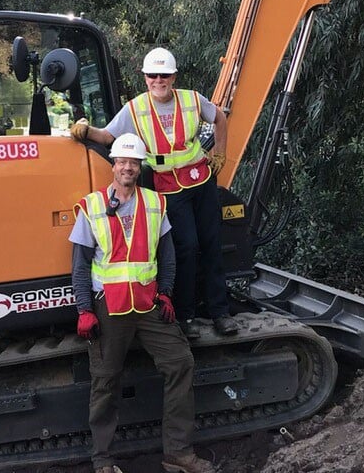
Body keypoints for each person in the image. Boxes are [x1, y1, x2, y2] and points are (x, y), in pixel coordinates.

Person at [71, 133, 217, 473]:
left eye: (133, 163)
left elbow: (168, 257)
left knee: (180, 363)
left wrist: (166, 292)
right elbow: (79, 266)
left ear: (139, 167)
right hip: (109, 306)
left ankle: (178, 454)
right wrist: (84, 310)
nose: (127, 167)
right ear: (113, 165)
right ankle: (103, 460)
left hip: (148, 304)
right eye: (122, 161)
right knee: (105, 381)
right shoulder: (92, 207)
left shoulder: (155, 204)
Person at [71, 48, 239, 339]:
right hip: (168, 188)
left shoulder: (191, 99)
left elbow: (220, 119)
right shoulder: (135, 108)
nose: (158, 80)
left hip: (200, 179)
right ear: (145, 78)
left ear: (173, 77)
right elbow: (108, 136)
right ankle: (186, 317)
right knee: (186, 248)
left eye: (164, 75)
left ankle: (220, 313)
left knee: (212, 244)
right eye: (153, 75)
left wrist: (220, 154)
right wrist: (85, 130)